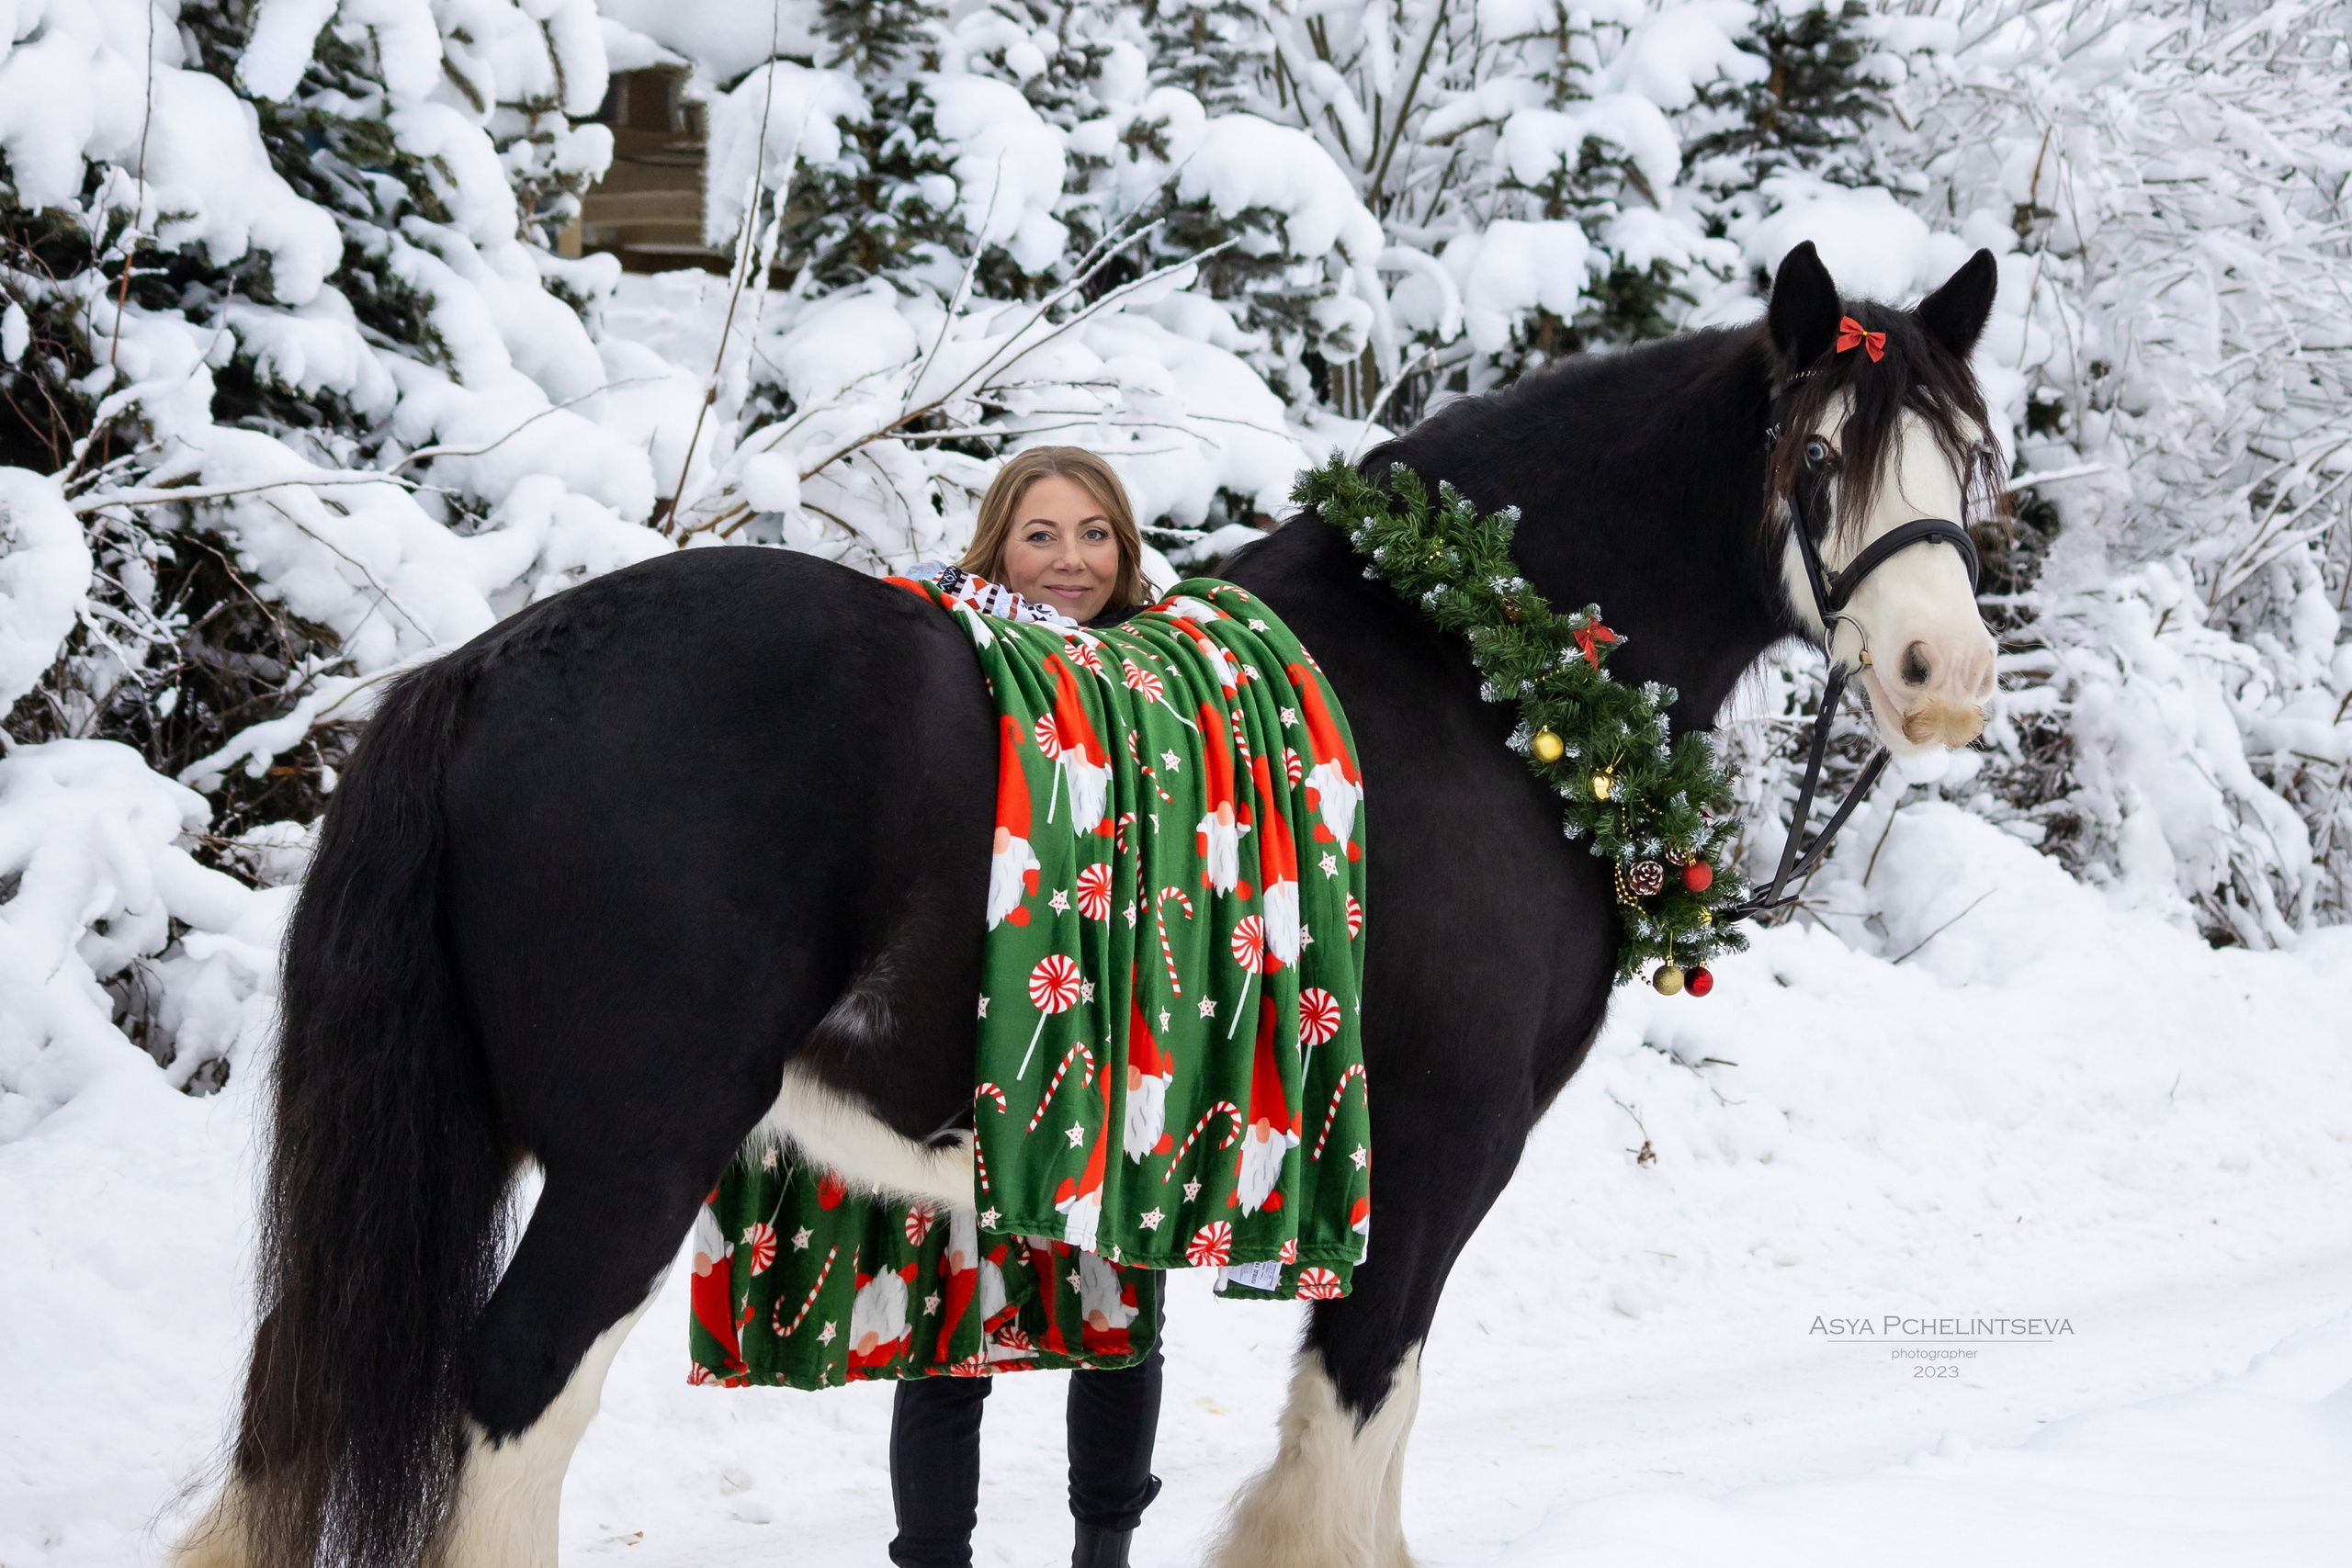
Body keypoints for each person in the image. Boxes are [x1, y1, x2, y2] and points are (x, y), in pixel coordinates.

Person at [890, 446, 1165, 1568]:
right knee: (949, 1330)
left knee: (1119, 1322)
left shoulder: (1166, 672)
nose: (1070, 560)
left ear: (1125, 548)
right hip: (964, 1032)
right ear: (998, 545)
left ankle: (1105, 1552)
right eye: (1040, 534)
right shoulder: (944, 652)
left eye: (1094, 534)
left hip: (1114, 1035)